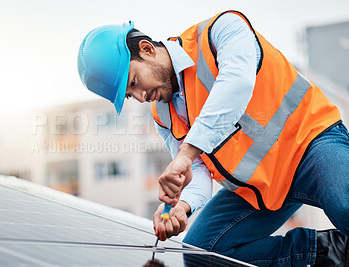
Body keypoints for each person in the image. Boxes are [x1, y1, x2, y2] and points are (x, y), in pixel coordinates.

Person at [77, 10, 349, 266]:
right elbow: (195, 173)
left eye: (134, 82)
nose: (140, 97)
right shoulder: (163, 115)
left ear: (147, 49)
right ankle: (329, 251)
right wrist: (182, 207)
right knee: (201, 252)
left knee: (344, 204)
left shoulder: (221, 30)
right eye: (129, 95)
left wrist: (186, 153)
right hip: (262, 187)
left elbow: (236, 84)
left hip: (311, 143)